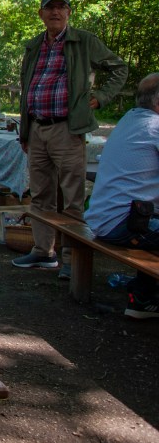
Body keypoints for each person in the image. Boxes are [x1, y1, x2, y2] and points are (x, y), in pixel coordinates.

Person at [13, 0, 128, 276]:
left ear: (68, 12)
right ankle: (43, 251)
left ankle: (71, 259)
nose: (55, 12)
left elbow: (119, 68)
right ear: (41, 14)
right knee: (40, 195)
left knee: (72, 197)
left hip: (68, 128)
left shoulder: (84, 41)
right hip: (37, 127)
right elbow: (28, 89)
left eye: (61, 7)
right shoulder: (34, 46)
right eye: (49, 8)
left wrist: (101, 97)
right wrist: (25, 132)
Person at [83, 73, 159, 318]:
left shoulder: (129, 120)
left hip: (103, 218)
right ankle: (142, 297)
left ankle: (143, 297)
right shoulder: (155, 127)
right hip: (123, 224)